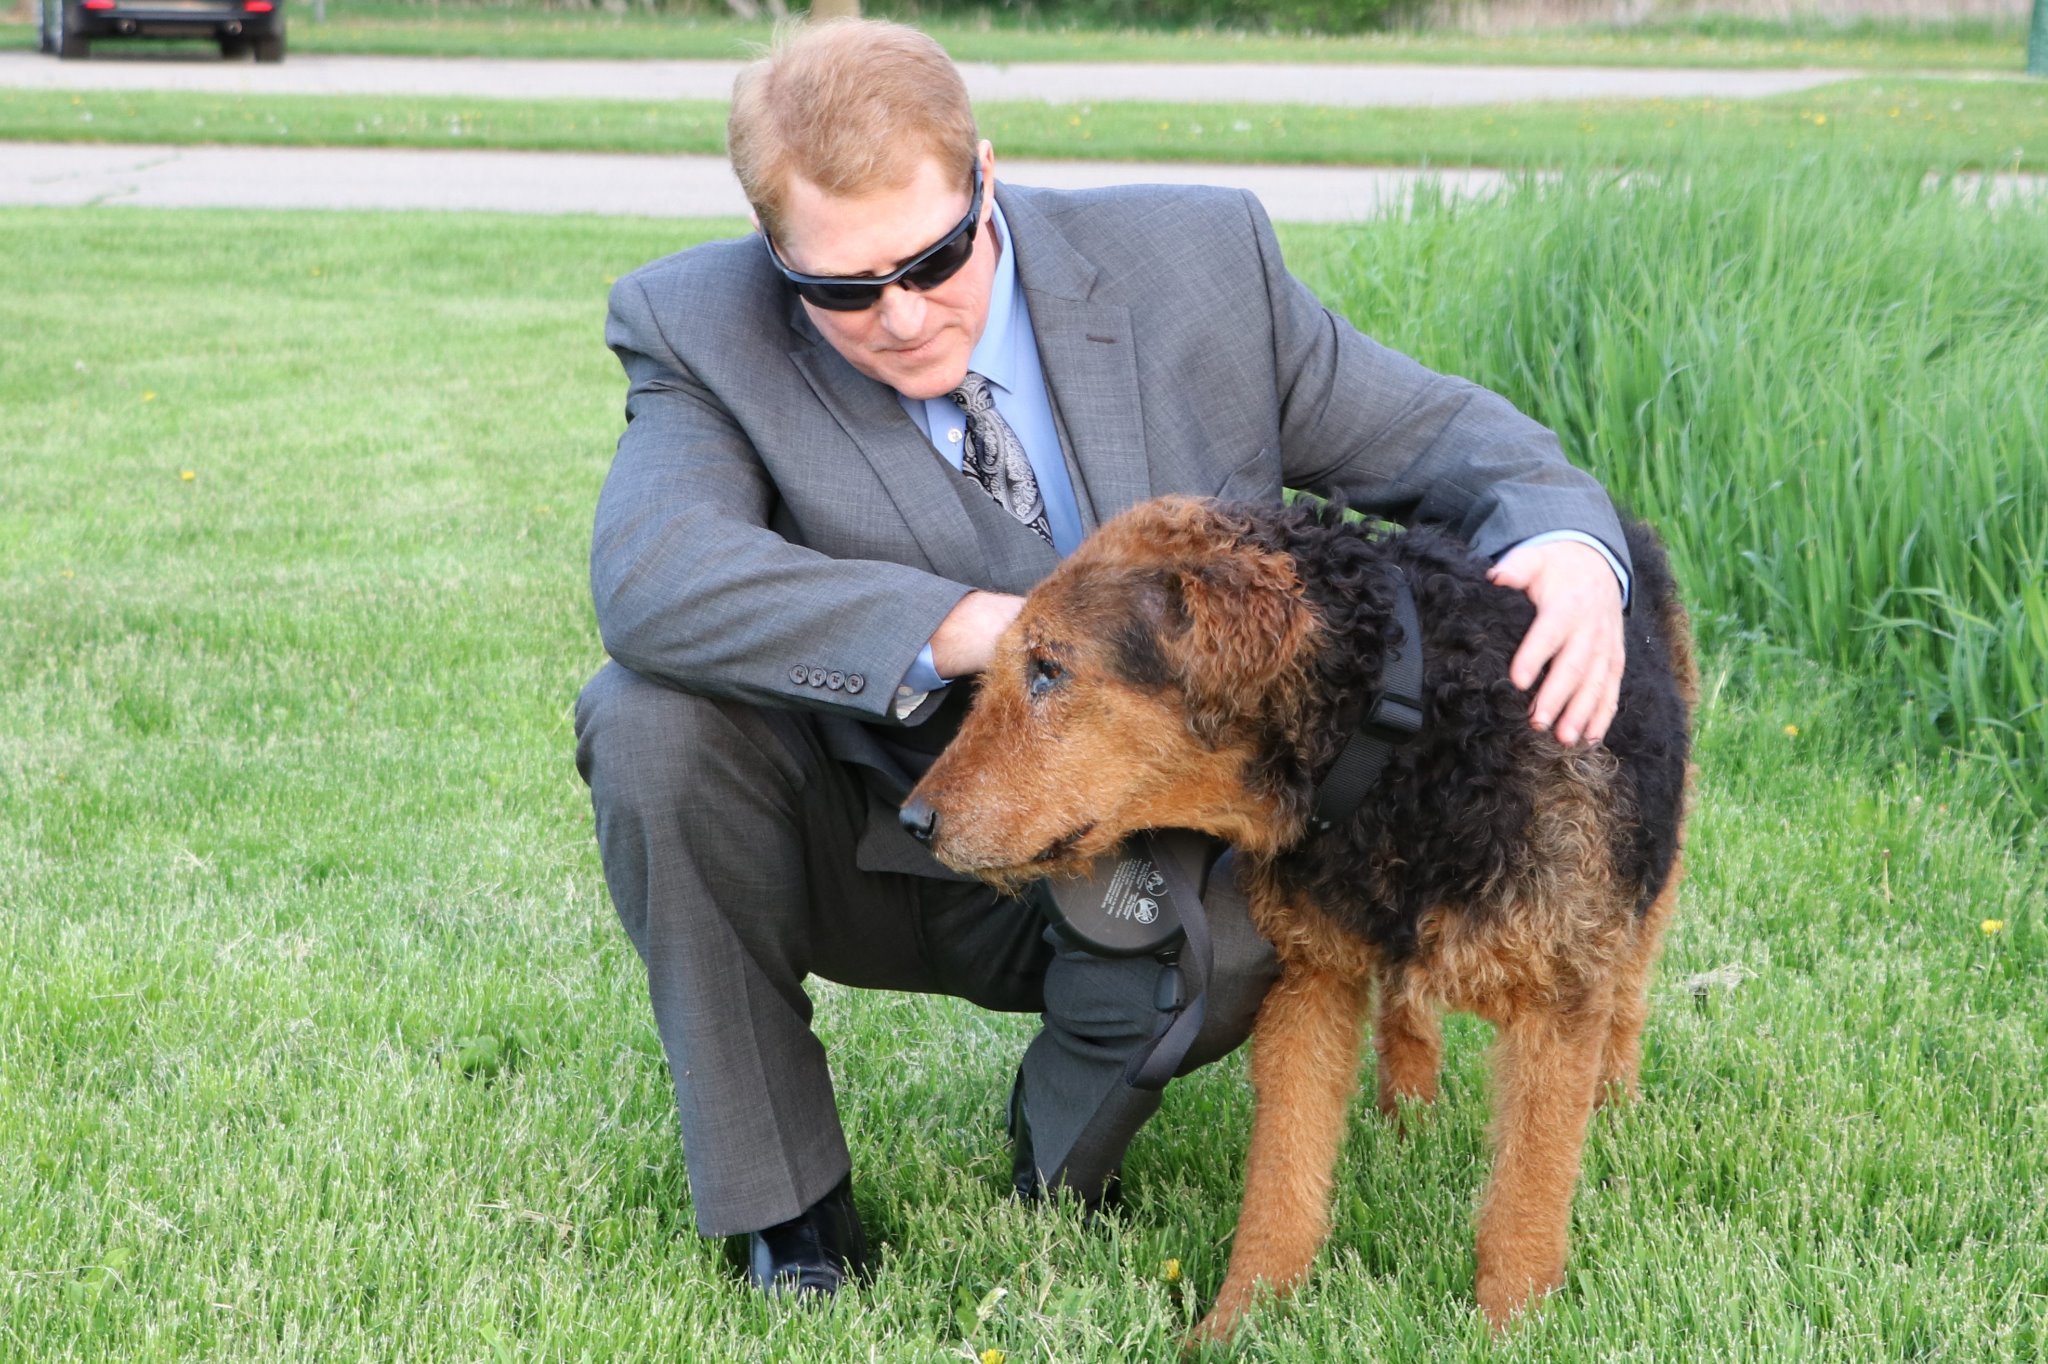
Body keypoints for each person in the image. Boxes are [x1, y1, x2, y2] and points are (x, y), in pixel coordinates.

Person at [573, 18, 1631, 1299]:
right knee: (646, 720)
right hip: (877, 832)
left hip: (1161, 843)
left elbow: (1450, 435)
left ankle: (1056, 1149)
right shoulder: (697, 328)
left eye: (936, 258)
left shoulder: (1196, 261)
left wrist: (1573, 541)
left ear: (985, 179)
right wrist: (984, 630)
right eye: (845, 289)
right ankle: (789, 1211)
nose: (904, 317)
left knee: (1253, 937)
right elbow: (652, 573)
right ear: (773, 255)